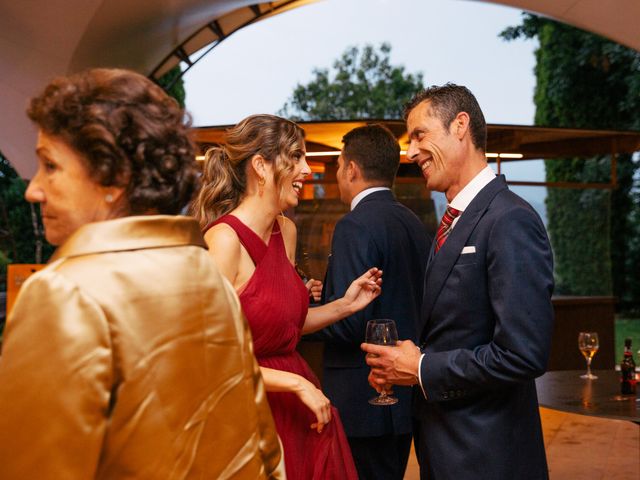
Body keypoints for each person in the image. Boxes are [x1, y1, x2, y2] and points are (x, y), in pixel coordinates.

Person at [0, 69, 284, 479]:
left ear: (112, 178)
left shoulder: (64, 293)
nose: (34, 188)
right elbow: (262, 451)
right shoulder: (205, 275)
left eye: (50, 165)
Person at [362, 84, 554, 480]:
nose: (411, 151)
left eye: (420, 135)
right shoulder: (453, 221)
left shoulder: (509, 219)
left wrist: (421, 369)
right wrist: (408, 360)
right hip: (447, 449)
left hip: (488, 456)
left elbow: (523, 354)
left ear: (460, 125)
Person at [191, 114, 382, 480]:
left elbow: (283, 325)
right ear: (261, 167)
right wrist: (295, 384)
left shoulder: (286, 230)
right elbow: (207, 361)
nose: (307, 169)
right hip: (248, 408)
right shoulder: (223, 241)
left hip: (300, 407)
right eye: (295, 157)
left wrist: (345, 304)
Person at [308, 124, 430, 479]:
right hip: (405, 395)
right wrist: (327, 298)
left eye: (338, 165)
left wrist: (299, 322)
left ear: (351, 169)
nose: (337, 173)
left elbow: (350, 323)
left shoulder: (354, 225)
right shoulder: (412, 222)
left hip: (363, 395)